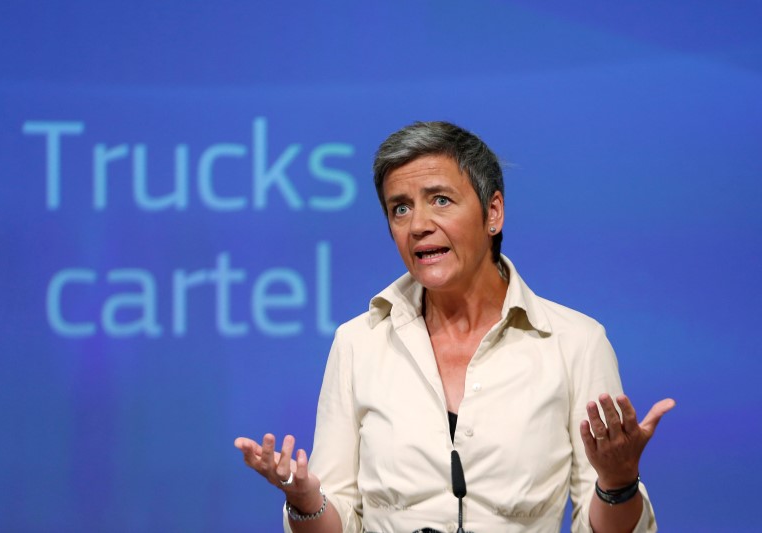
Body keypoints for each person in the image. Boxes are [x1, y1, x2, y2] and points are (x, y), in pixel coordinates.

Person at [235, 121, 675, 532]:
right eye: (400, 208)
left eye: (440, 200)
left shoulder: (575, 343)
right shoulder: (358, 343)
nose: (419, 225)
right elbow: (339, 520)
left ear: (493, 213)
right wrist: (305, 497)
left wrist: (618, 483)